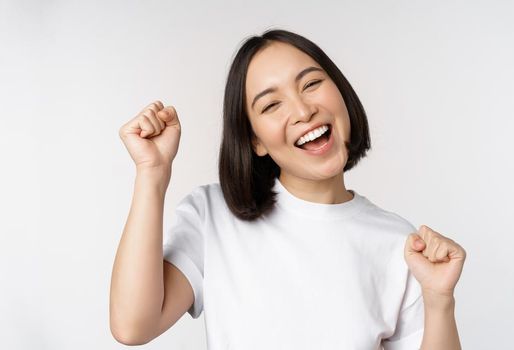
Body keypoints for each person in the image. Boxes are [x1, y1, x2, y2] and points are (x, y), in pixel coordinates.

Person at [109, 29, 466, 349]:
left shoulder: (398, 244)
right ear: (256, 141)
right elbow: (133, 326)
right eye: (271, 104)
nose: (302, 110)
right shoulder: (213, 215)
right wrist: (152, 173)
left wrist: (439, 300)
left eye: (311, 84)